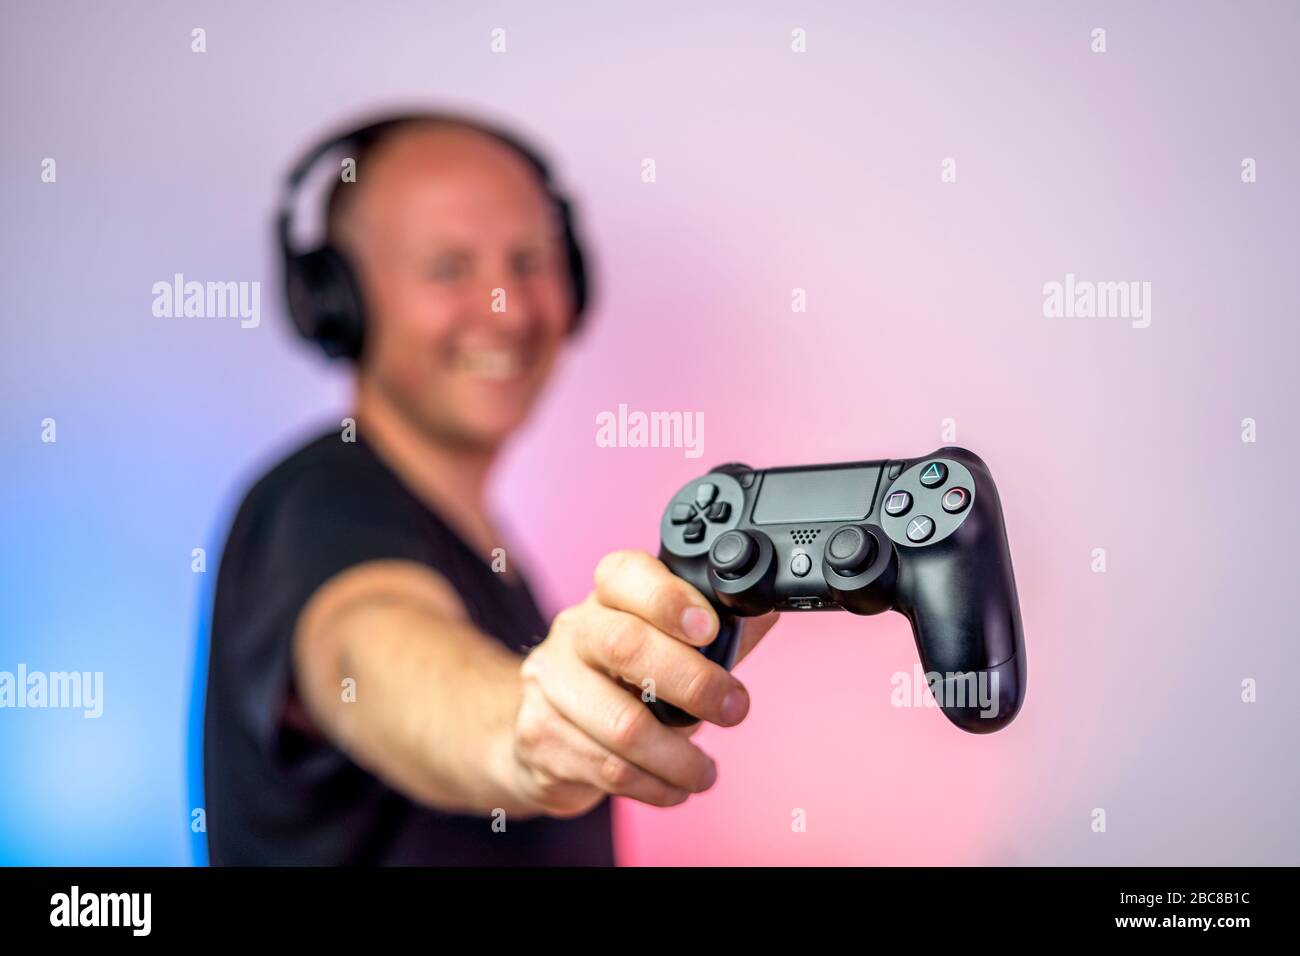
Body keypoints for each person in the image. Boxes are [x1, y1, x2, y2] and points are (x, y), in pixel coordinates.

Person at [202, 111, 779, 865]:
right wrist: (525, 727)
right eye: (448, 268)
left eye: (532, 259)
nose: (506, 305)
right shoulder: (315, 504)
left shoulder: (482, 549)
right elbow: (371, 654)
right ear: (338, 301)